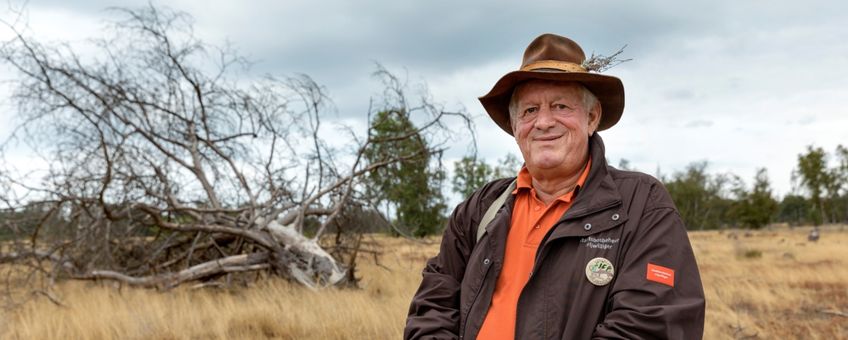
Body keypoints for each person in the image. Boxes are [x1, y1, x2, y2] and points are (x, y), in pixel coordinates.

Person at [404, 33, 705, 339]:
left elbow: (651, 324)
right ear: (515, 126)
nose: (544, 122)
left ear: (591, 117)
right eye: (530, 110)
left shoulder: (641, 204)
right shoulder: (481, 208)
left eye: (560, 106)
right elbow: (433, 305)